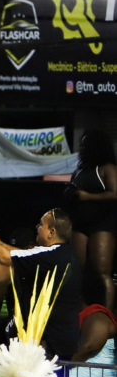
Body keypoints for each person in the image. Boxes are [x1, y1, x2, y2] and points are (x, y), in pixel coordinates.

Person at [0, 208, 84, 360]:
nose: (37, 227)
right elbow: (22, 254)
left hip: (45, 347)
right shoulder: (64, 253)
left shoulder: (51, 255)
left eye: (41, 224)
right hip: (58, 343)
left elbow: (4, 257)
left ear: (51, 232)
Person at [65, 129, 117, 310]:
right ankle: (81, 314)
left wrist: (88, 197)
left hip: (102, 224)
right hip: (80, 224)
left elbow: (115, 193)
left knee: (101, 273)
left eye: (86, 143)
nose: (82, 147)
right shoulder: (79, 170)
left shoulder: (107, 168)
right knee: (78, 272)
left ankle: (107, 317)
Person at [62, 271, 117, 377]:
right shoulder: (82, 315)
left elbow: (90, 347)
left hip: (102, 369)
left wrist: (63, 364)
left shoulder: (97, 314)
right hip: (89, 366)